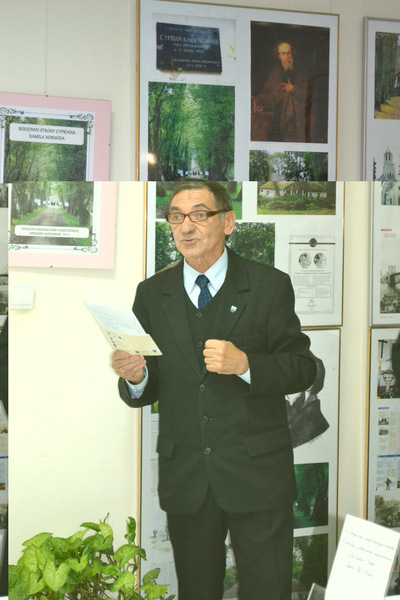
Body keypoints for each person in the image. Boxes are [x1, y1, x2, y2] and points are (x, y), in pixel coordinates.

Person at [112, 180, 317, 600]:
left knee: (267, 591)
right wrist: (135, 377)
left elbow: (303, 368)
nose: (186, 227)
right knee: (196, 591)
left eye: (199, 215)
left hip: (258, 477)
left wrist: (247, 365)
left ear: (227, 222)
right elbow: (148, 385)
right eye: (176, 217)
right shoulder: (151, 294)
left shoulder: (269, 285)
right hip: (187, 480)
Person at [252, 41, 312, 143]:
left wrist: (294, 89)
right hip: (278, 120)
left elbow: (310, 96)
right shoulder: (274, 74)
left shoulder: (302, 73)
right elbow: (266, 92)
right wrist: (258, 101)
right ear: (279, 56)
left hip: (298, 120)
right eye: (283, 54)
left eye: (289, 53)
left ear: (292, 54)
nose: (287, 57)